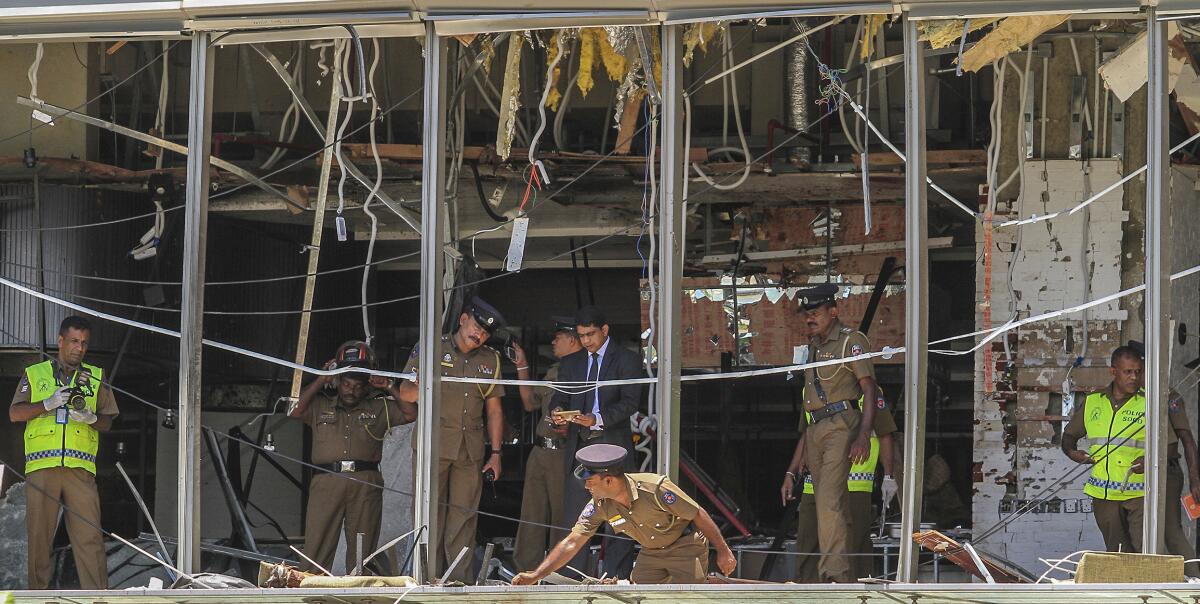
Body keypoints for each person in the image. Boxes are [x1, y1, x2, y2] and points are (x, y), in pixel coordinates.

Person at [512, 444, 737, 585]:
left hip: (685, 547)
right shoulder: (600, 504)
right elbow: (572, 542)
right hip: (651, 552)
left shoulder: (654, 488)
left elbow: (698, 514)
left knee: (689, 596)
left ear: (608, 480)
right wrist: (536, 575)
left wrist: (723, 551)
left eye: (590, 482)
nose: (586, 487)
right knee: (637, 594)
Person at [398, 297, 507, 582]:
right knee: (428, 514)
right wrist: (421, 384)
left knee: (464, 517)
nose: (479, 335)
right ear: (462, 319)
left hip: (469, 451)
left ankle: (458, 581)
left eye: (485, 333)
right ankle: (426, 578)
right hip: (432, 448)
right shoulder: (431, 348)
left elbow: (494, 410)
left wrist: (495, 453)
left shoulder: (490, 360)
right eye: (476, 327)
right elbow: (405, 394)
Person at [10, 316, 119, 589]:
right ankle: (38, 597)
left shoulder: (95, 376)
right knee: (39, 538)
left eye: (84, 343)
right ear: (60, 341)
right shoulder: (35, 374)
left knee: (89, 536)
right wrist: (47, 403)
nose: (79, 348)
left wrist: (91, 418)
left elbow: (108, 420)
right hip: (42, 467)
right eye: (73, 341)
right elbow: (15, 413)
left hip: (80, 470)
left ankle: (97, 598)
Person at [288, 341, 411, 573]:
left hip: (366, 482)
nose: (350, 390)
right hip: (327, 482)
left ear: (366, 387)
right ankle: (312, 595)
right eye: (346, 383)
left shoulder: (378, 407)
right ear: (337, 381)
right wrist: (321, 379)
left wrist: (389, 386)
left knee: (363, 554)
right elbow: (294, 410)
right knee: (317, 547)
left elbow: (410, 413)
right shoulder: (321, 404)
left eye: (357, 386)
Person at [550, 305, 645, 579]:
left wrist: (598, 418)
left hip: (612, 446)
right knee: (576, 520)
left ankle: (617, 579)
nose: (586, 341)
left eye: (591, 334)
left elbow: (630, 403)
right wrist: (556, 413)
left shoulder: (627, 359)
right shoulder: (572, 363)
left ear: (605, 330)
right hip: (580, 449)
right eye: (581, 336)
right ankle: (570, 579)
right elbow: (560, 397)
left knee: (619, 519)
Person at [793, 283, 879, 582]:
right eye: (807, 314)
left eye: (815, 313)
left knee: (829, 501)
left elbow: (869, 388)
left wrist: (863, 435)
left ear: (833, 311)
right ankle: (834, 572)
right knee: (826, 503)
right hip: (816, 427)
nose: (809, 318)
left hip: (841, 425)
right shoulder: (815, 346)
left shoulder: (850, 341)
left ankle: (835, 576)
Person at [1062, 345, 1175, 554]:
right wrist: (1072, 453)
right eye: (1128, 371)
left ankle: (1149, 587)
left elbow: (1170, 447)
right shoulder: (1093, 402)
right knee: (1118, 552)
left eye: (1138, 372)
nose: (1134, 377)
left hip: (1139, 495)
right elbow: (1068, 437)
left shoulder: (1150, 404)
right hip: (1103, 496)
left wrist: (1149, 461)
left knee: (1146, 552)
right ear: (1113, 372)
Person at [783, 391, 897, 581]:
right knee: (808, 553)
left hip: (854, 488)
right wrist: (791, 473)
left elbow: (884, 432)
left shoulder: (865, 391)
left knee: (849, 554)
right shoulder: (810, 387)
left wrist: (888, 475)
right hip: (813, 488)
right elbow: (806, 433)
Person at [511, 317, 582, 571]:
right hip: (540, 451)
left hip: (563, 453)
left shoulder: (585, 371)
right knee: (531, 514)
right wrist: (522, 367)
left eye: (558, 337)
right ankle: (525, 570)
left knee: (561, 518)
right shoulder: (554, 370)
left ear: (573, 339)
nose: (553, 341)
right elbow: (530, 403)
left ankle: (558, 572)